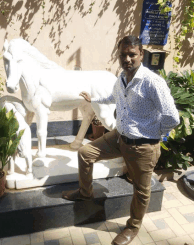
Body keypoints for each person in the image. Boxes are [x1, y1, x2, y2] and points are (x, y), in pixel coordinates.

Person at [62, 35, 180, 245]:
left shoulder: (152, 82)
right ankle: (85, 192)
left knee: (141, 191)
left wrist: (155, 135)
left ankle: (133, 227)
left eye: (132, 54)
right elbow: (113, 97)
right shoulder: (122, 78)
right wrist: (93, 100)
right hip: (118, 137)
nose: (127, 58)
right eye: (123, 54)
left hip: (143, 147)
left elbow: (173, 117)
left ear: (141, 54)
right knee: (85, 153)